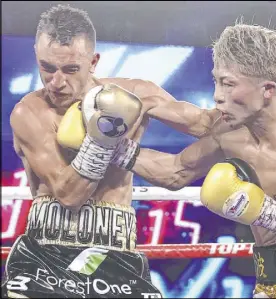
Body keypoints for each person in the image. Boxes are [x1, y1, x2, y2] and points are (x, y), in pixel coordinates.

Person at [2, 4, 219, 299]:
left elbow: (208, 126)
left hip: (116, 256)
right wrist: (103, 139)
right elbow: (69, 194)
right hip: (45, 255)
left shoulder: (137, 94)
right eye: (47, 67)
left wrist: (248, 103)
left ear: (93, 61)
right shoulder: (29, 112)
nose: (56, 82)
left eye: (70, 69)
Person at [127, 23, 276, 298]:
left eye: (228, 83)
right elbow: (176, 172)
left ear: (267, 89)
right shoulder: (230, 133)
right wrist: (112, 150)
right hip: (266, 286)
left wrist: (262, 210)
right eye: (216, 80)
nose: (217, 95)